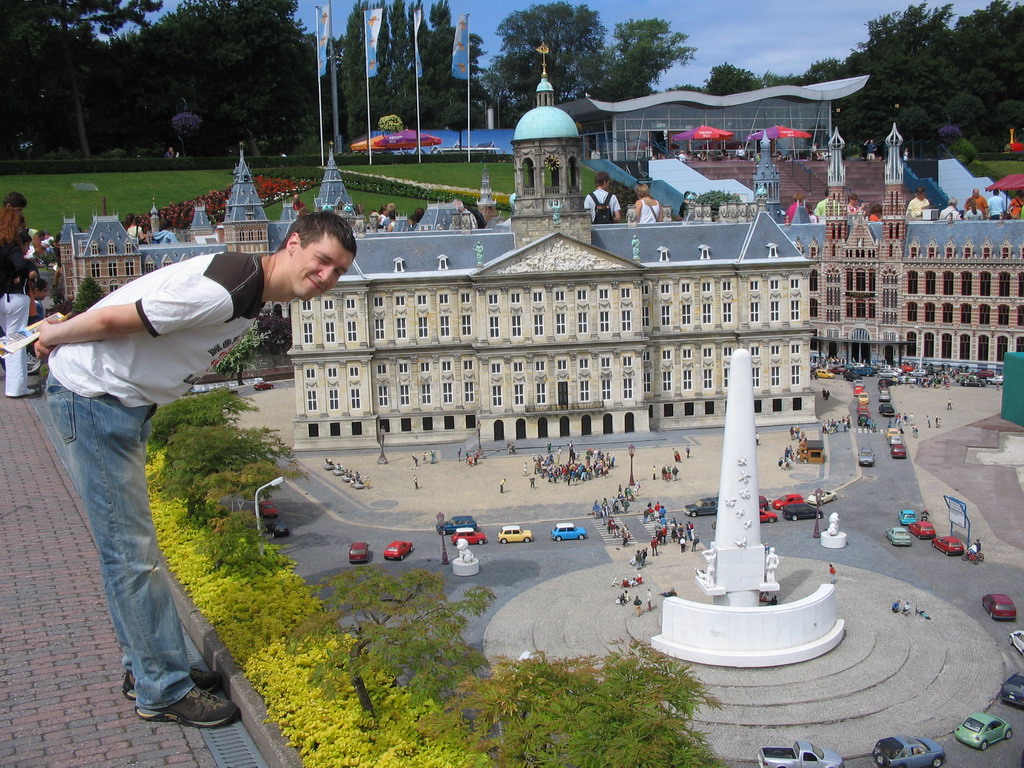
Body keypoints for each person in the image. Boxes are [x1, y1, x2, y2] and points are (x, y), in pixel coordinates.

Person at [36, 212, 356, 728]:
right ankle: (161, 691)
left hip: (118, 403)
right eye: (322, 262)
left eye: (338, 272)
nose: (327, 279)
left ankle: (147, 667)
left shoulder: (248, 287)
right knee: (131, 556)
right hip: (97, 399)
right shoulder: (229, 291)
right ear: (293, 243)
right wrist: (57, 333)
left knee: (131, 554)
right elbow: (122, 316)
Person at [2, 214, 38, 397]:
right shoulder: (11, 247)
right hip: (13, 298)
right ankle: (16, 388)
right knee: (16, 342)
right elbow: (20, 265)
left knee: (8, 340)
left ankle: (16, 386)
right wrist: (20, 274)